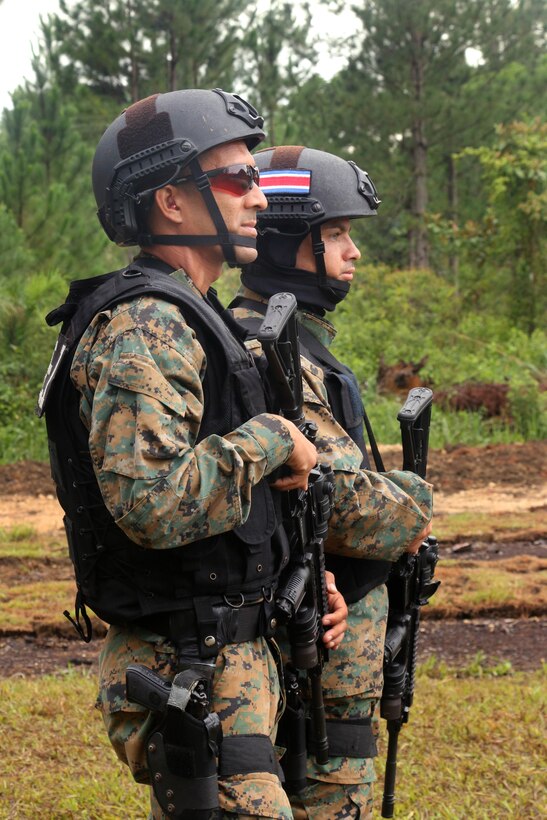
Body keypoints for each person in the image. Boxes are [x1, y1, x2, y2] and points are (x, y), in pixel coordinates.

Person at [39, 92, 348, 819]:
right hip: (184, 665)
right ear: (170, 201)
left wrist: (301, 579)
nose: (259, 193)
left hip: (230, 654)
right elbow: (150, 502)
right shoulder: (147, 323)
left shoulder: (197, 315)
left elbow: (230, 502)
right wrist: (273, 437)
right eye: (238, 177)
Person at [230, 145, 434, 819]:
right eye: (336, 235)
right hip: (304, 668)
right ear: (286, 242)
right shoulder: (265, 351)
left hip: (334, 661)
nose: (352, 253)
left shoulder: (304, 349)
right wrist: (414, 504)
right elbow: (343, 506)